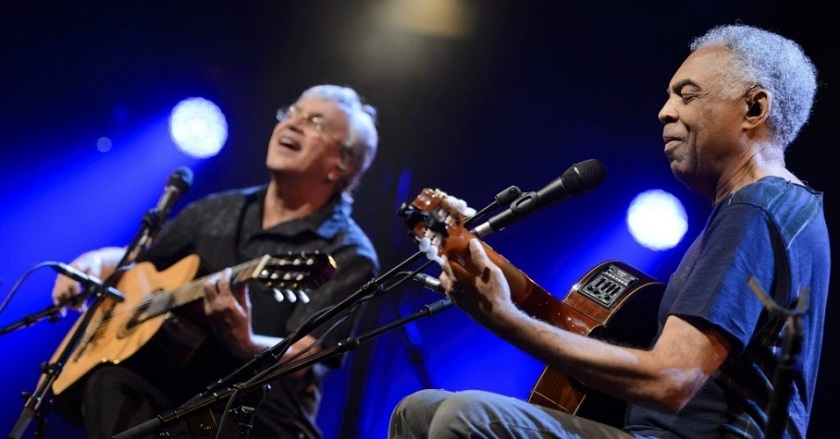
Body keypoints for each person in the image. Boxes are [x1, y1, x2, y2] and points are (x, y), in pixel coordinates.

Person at [389, 24, 828, 438]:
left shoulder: (755, 210)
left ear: (754, 107)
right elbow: (603, 343)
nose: (664, 111)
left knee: (464, 417)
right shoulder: (773, 209)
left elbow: (672, 379)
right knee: (419, 411)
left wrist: (502, 318)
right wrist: (488, 270)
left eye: (687, 96)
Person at [51, 84, 380, 439]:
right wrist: (94, 261)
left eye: (315, 122)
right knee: (108, 381)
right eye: (291, 113)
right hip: (180, 386)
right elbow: (142, 264)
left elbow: (309, 351)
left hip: (254, 414)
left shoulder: (349, 252)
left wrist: (248, 343)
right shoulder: (219, 209)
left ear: (341, 165)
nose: (293, 124)